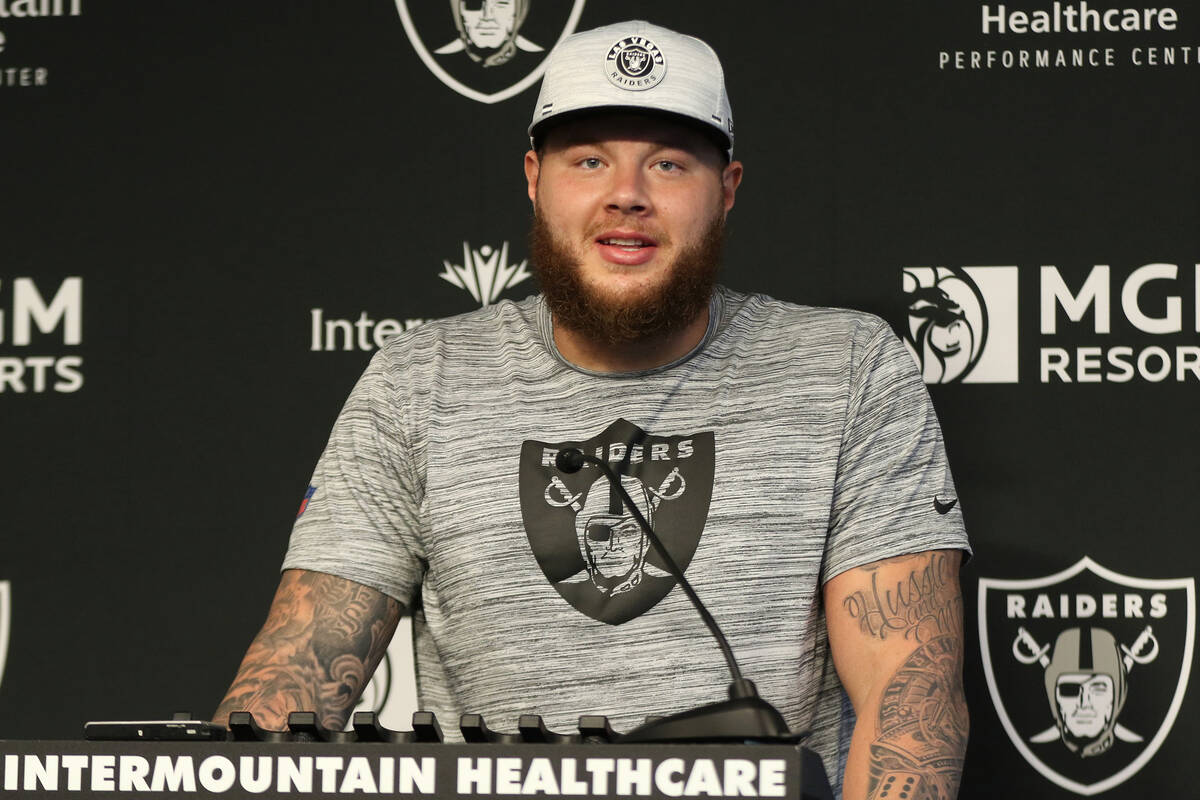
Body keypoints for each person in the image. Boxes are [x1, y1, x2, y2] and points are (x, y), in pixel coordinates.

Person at [214, 20, 970, 800]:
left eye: (669, 164)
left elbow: (909, 693)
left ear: (729, 189)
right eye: (590, 161)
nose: (627, 196)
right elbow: (299, 677)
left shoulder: (846, 366)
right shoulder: (420, 378)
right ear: (536, 179)